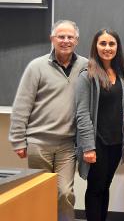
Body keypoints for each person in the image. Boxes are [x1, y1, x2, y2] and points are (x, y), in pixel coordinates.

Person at [8, 20, 88, 221]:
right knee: (40, 194)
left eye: (70, 37)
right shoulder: (36, 67)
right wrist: (18, 140)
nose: (65, 40)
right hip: (38, 143)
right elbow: (21, 105)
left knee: (65, 193)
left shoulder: (86, 66)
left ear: (76, 41)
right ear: (52, 39)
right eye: (61, 36)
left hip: (68, 145)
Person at [75, 28, 124, 221]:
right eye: (103, 43)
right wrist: (88, 147)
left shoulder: (120, 73)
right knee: (95, 189)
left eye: (111, 44)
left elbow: (119, 102)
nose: (107, 48)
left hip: (116, 143)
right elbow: (81, 114)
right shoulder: (87, 75)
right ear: (95, 46)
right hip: (97, 144)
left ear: (117, 47)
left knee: (105, 186)